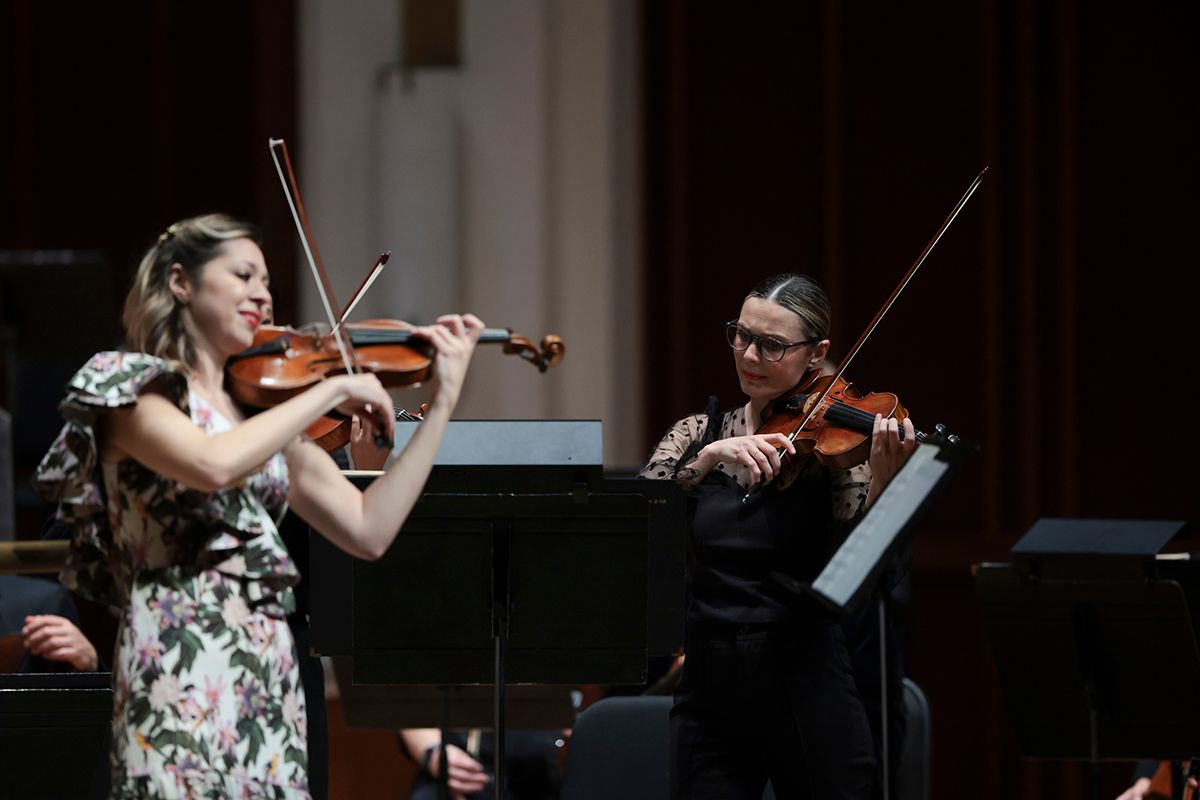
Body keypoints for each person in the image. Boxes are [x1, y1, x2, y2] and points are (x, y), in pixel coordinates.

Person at [32, 213, 483, 798]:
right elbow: (211, 464)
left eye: (267, 281)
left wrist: (442, 404)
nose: (262, 294)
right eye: (243, 274)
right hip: (177, 656)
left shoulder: (266, 421)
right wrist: (330, 389)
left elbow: (370, 530)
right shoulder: (130, 386)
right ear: (180, 282)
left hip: (267, 669)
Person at [639, 272, 916, 800]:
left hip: (804, 678)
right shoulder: (698, 432)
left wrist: (882, 481)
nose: (748, 355)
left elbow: (865, 566)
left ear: (818, 354)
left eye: (772, 345)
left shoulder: (834, 447)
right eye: (741, 335)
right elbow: (638, 524)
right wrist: (705, 461)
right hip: (710, 685)